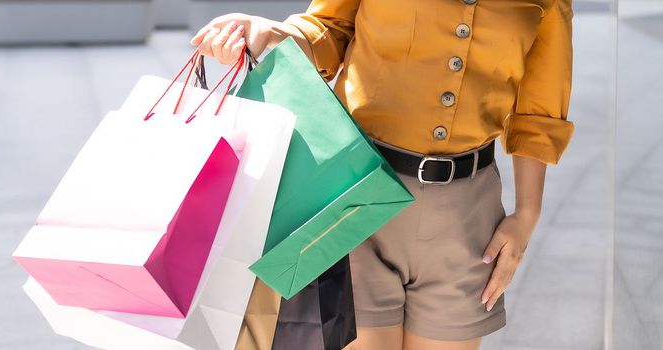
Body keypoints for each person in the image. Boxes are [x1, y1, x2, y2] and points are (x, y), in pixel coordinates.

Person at [191, 0, 575, 349]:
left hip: (467, 219)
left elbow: (539, 112)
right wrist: (270, 33)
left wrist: (527, 216)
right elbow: (329, 29)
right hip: (359, 196)